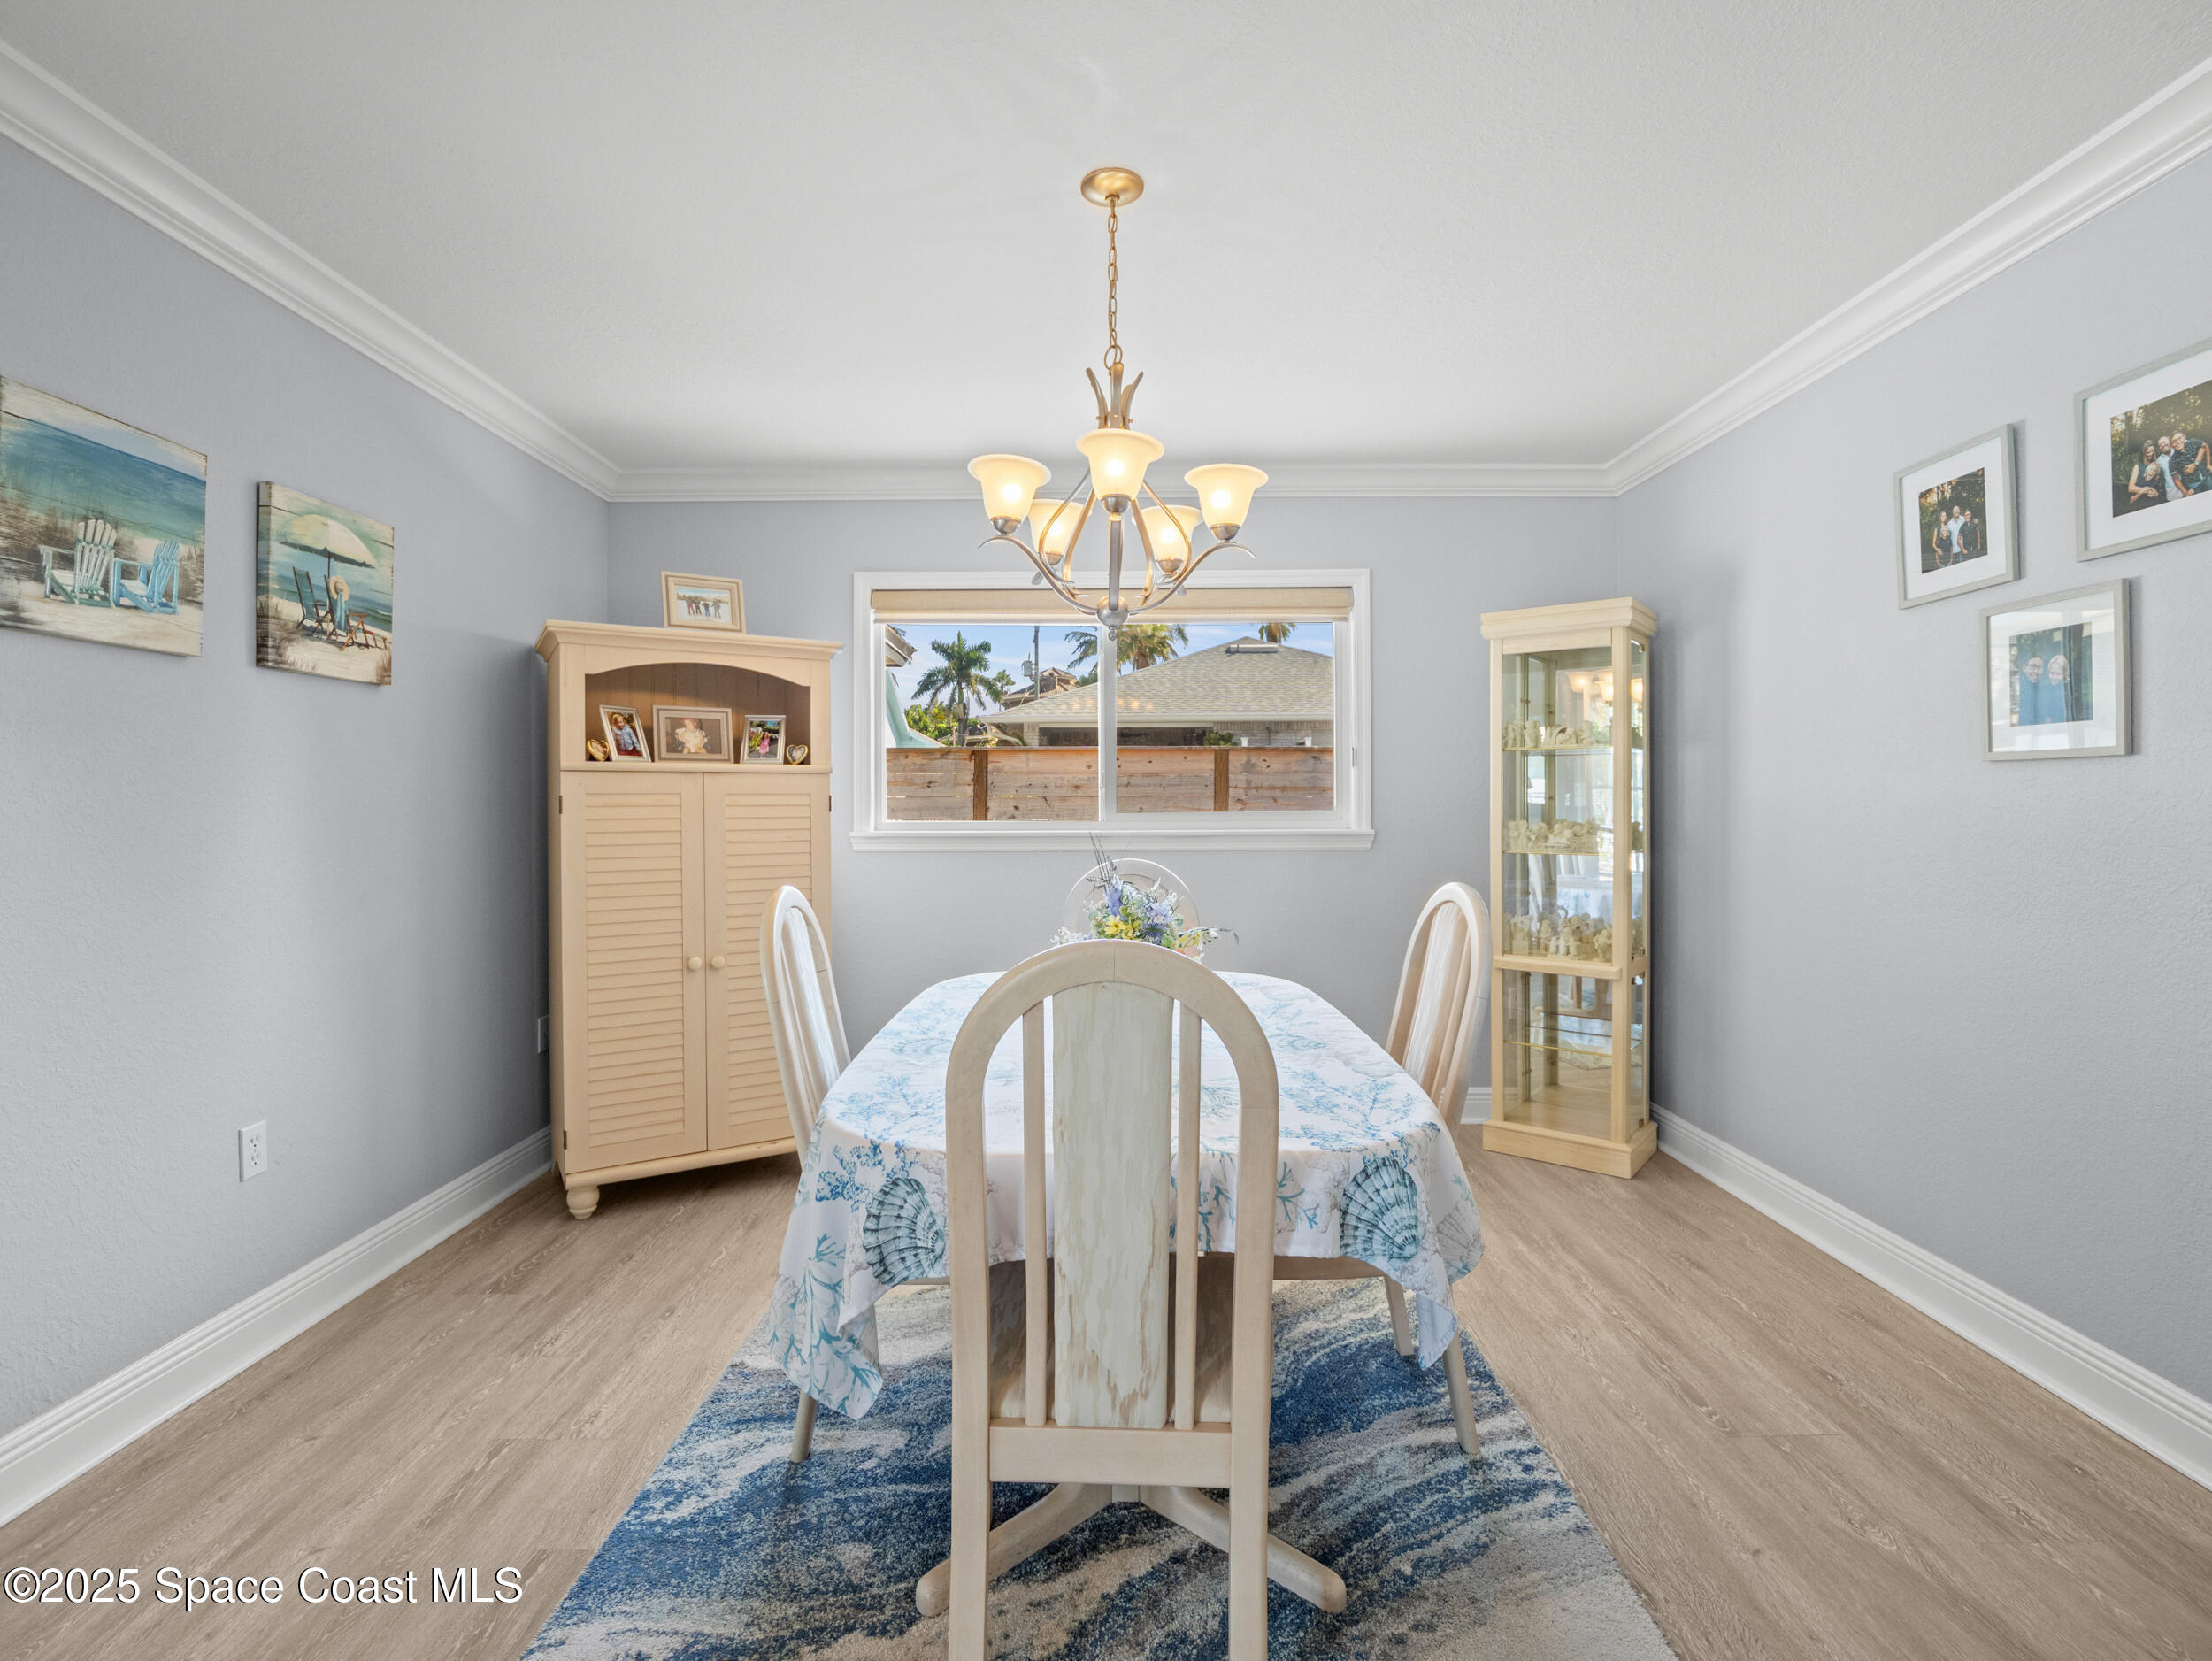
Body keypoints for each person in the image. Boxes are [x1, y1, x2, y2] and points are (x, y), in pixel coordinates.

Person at [2128, 439, 2163, 506]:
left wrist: (2156, 494)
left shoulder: (2156, 466)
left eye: (2152, 451)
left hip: (2152, 503)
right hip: (2139, 503)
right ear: (2143, 452)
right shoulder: (2138, 466)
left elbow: (2158, 487)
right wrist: (2144, 490)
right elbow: (2130, 488)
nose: (2151, 454)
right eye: (2148, 452)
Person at [2016, 650, 2047, 726]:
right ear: (2024, 668)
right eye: (2033, 666)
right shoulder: (2019, 687)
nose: (2036, 671)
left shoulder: (2044, 688)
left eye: (2040, 667)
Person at [2045, 652, 2074, 723]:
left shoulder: (2067, 693)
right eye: (2052, 673)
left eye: (2058, 674)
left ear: (2065, 674)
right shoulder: (2046, 690)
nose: (2054, 677)